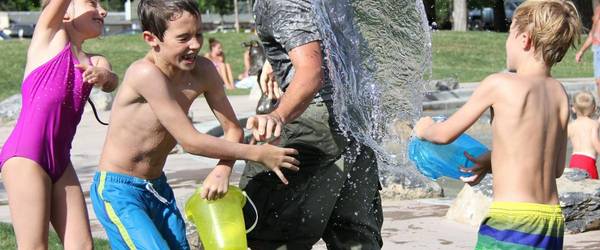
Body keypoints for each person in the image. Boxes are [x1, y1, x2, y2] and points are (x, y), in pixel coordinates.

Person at [89, 1, 299, 249]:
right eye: (183, 38)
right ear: (151, 38)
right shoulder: (144, 74)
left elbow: (232, 129)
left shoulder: (204, 71)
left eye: (198, 33)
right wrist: (257, 153)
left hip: (157, 187)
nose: (196, 44)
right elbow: (189, 141)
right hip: (119, 190)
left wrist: (223, 169)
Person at [414, 0, 581, 249]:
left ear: (524, 39)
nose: (506, 43)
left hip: (511, 222)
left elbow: (444, 134)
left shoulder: (500, 84)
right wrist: (492, 160)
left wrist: (424, 128)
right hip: (551, 222)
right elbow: (555, 167)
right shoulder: (559, 93)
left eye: (509, 34)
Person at [240, 0, 383, 248]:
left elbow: (311, 71)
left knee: (263, 230)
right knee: (354, 237)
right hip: (358, 120)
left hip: (314, 122)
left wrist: (279, 115)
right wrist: (274, 59)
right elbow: (328, 40)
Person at [0, 0, 118, 248]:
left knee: (83, 246)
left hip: (61, 160)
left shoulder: (95, 60)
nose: (103, 11)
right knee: (34, 246)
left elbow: (110, 81)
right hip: (26, 156)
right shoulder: (49, 37)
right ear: (65, 12)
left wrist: (105, 77)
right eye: (92, 3)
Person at [567, 91, 600, 179]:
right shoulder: (594, 124)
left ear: (573, 108)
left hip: (574, 161)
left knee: (576, 189)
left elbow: (560, 142)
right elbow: (595, 143)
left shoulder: (571, 126)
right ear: (594, 108)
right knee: (592, 189)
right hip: (588, 162)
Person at [575, 5, 600, 97]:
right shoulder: (598, 10)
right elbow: (593, 34)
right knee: (598, 82)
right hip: (597, 49)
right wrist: (581, 51)